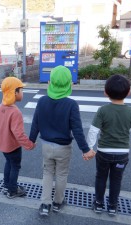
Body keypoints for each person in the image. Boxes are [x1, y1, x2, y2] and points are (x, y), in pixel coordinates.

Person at [29, 65, 96, 216]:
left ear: (50, 83)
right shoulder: (71, 105)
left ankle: (45, 204)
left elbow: (36, 123)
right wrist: (85, 150)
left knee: (47, 173)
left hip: (46, 145)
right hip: (63, 148)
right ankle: (58, 202)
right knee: (61, 174)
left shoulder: (42, 101)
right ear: (69, 85)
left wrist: (31, 140)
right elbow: (77, 130)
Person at [87, 74, 131, 216]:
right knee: (116, 179)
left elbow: (93, 131)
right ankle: (112, 206)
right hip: (122, 154)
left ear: (106, 92)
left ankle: (99, 203)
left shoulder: (103, 110)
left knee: (101, 177)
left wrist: (90, 148)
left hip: (103, 153)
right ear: (129, 92)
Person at [0, 77, 36, 199]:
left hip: (2, 144)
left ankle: (6, 185)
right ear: (15, 92)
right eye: (21, 90)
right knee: (15, 166)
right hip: (13, 146)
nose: (22, 93)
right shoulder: (15, 112)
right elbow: (19, 134)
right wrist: (29, 144)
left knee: (9, 163)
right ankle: (13, 190)